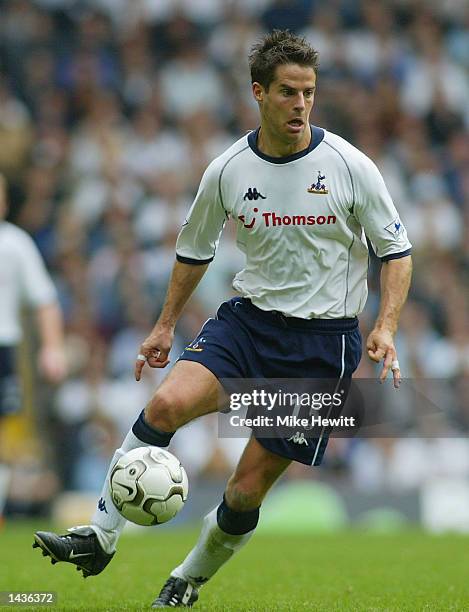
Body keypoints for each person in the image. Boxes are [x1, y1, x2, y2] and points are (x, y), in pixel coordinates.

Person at [33, 31, 412, 608]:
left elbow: (396, 253)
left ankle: (184, 581)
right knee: (163, 406)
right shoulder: (229, 170)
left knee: (243, 490)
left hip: (319, 347)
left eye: (309, 93)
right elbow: (194, 250)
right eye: (288, 92)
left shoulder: (351, 166)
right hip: (247, 325)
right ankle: (99, 537)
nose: (301, 105)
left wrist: (384, 326)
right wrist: (164, 325)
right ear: (259, 93)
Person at [0, 173, 66, 517]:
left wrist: (52, 347)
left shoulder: (15, 243)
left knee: (3, 437)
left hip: (3, 347)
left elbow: (44, 300)